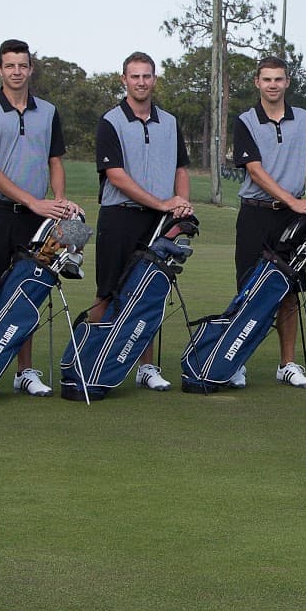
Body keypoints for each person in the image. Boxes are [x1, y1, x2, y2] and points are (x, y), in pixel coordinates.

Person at [0, 39, 82, 397]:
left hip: (36, 218)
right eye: (10, 66)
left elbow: (55, 161)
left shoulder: (48, 111)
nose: (16, 72)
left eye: (22, 65)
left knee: (28, 293)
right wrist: (34, 201)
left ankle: (25, 372)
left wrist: (59, 200)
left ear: (30, 69)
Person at [90, 51, 193, 392]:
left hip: (157, 222)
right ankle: (91, 361)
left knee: (147, 294)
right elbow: (116, 177)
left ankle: (145, 367)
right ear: (124, 79)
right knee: (107, 292)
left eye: (146, 76)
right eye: (134, 76)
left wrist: (180, 204)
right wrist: (162, 203)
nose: (141, 82)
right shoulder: (111, 121)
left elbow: (181, 168)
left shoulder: (171, 122)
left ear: (154, 79)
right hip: (118, 217)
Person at [230, 55, 306, 388]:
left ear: (287, 82)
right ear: (257, 82)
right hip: (255, 213)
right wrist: (295, 201)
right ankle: (236, 361)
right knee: (248, 290)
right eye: (267, 79)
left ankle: (287, 363)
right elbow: (255, 170)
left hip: (292, 218)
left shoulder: (304, 119)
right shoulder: (245, 120)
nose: (273, 85)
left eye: (279, 79)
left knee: (290, 290)